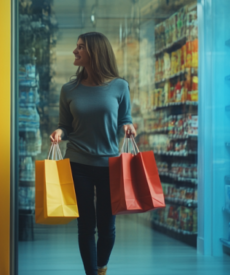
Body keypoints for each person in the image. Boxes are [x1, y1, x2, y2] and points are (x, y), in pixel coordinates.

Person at [49, 32, 137, 275]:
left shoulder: (120, 86)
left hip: (109, 164)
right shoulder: (69, 89)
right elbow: (65, 125)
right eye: (76, 47)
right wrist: (59, 131)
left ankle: (101, 267)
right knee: (86, 227)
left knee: (107, 228)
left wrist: (127, 126)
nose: (75, 52)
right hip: (78, 163)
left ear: (95, 52)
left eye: (80, 48)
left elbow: (124, 119)